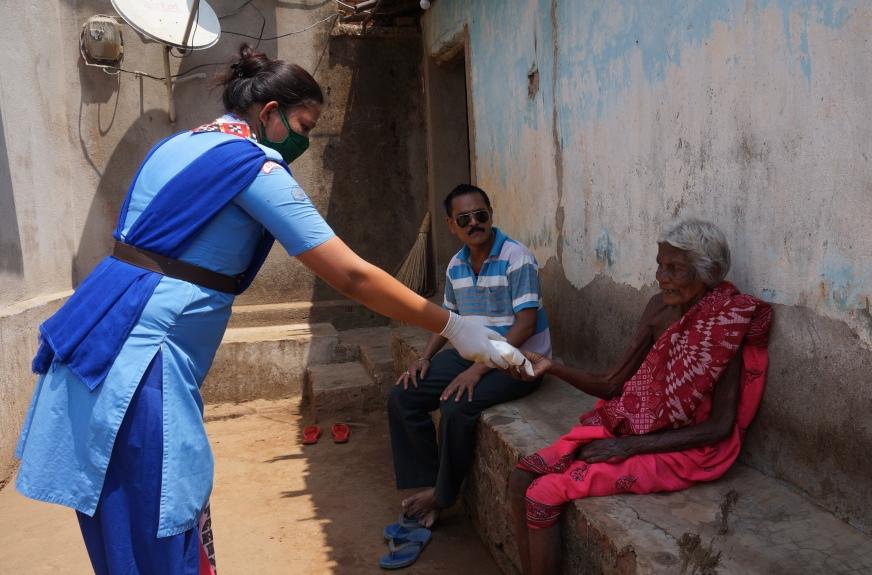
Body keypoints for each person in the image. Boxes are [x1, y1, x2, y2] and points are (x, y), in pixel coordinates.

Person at [13, 45, 522, 575]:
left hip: (98, 333)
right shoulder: (252, 168)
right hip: (141, 365)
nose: (304, 139)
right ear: (270, 113)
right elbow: (349, 273)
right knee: (163, 531)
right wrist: (454, 324)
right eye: (303, 124)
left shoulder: (176, 147)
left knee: (122, 531)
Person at [507, 219, 773, 575]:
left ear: (706, 273)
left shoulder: (724, 324)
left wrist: (627, 448)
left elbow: (720, 427)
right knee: (522, 476)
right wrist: (550, 367)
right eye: (660, 264)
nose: (662, 276)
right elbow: (612, 384)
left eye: (674, 269)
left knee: (543, 493)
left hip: (687, 449)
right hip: (634, 423)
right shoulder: (658, 309)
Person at [389, 184, 551, 529]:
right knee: (404, 395)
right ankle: (431, 482)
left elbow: (524, 326)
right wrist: (425, 357)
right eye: (464, 219)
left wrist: (477, 371)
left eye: (481, 215)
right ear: (451, 225)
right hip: (475, 353)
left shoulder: (516, 257)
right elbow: (447, 319)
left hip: (519, 361)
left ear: (491, 216)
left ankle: (442, 497)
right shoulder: (456, 266)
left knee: (457, 406)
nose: (474, 223)